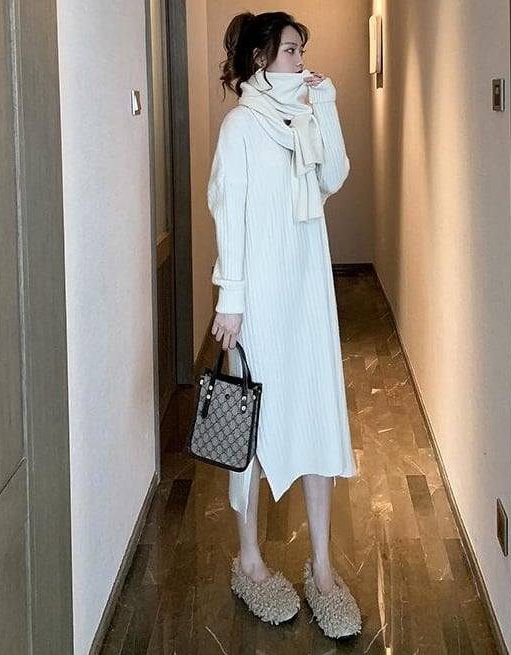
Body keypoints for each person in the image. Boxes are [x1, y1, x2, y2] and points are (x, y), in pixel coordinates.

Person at [208, 11, 361, 639]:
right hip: (260, 300)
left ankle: (322, 568)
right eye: (291, 51)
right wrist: (231, 300)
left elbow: (334, 176)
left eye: (301, 50)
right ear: (259, 59)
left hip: (307, 292)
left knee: (319, 414)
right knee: (251, 425)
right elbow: (229, 213)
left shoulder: (305, 118)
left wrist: (325, 102)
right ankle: (249, 561)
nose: (301, 60)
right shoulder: (241, 127)